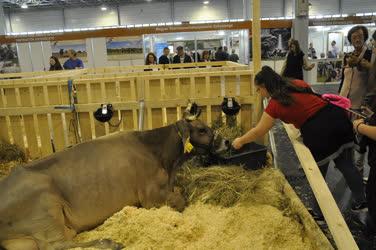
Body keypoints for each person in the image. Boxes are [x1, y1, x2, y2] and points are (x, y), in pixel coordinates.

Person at [232, 66, 367, 213]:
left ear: (265, 86)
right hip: (337, 118)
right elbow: (310, 100)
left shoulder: (275, 104)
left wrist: (240, 140)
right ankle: (361, 201)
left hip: (321, 132)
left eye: (259, 89)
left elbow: (259, 130)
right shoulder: (295, 83)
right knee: (346, 166)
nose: (259, 93)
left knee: (317, 176)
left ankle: (319, 213)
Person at [339, 26, 374, 176]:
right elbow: (344, 79)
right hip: (345, 102)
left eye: (359, 36)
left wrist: (361, 65)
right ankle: (350, 165)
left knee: (361, 139)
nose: (357, 39)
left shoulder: (371, 54)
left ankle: (358, 169)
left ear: (365, 37)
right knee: (347, 134)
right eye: (353, 37)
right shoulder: (347, 56)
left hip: (361, 104)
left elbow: (373, 78)